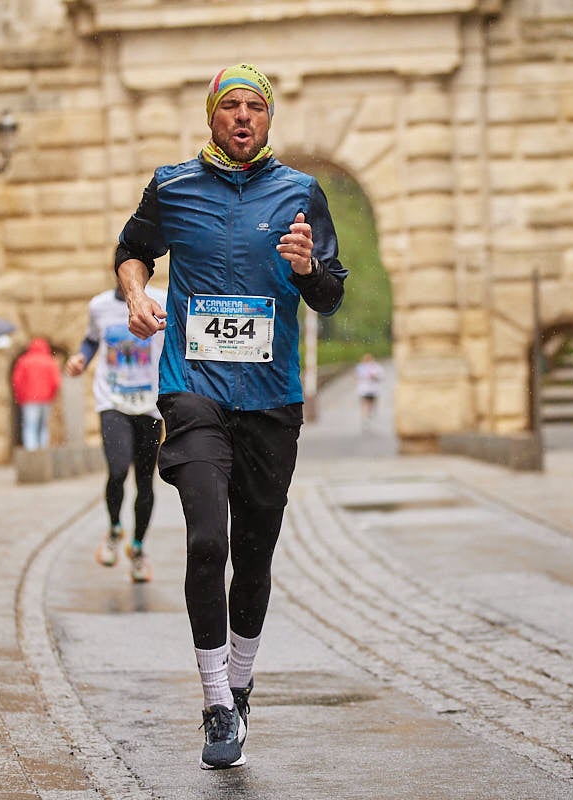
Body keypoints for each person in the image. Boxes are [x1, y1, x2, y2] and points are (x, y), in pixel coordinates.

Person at [115, 63, 347, 770]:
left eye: (255, 107)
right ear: (212, 117)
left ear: (269, 119)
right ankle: (216, 702)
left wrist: (308, 269)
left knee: (253, 554)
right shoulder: (173, 186)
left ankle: (240, 686)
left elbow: (332, 296)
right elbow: (133, 251)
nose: (243, 117)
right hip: (194, 394)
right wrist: (134, 294)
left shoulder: (302, 194)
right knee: (207, 539)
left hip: (272, 403)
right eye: (230, 106)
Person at [65, 285, 167, 583]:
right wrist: (80, 358)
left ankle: (137, 548)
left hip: (150, 403)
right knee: (118, 468)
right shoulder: (99, 306)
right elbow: (91, 340)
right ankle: (113, 529)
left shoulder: (161, 300)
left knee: (145, 479)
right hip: (112, 401)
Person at [12, 338, 62, 450]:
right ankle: (43, 453)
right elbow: (56, 382)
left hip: (29, 400)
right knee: (43, 427)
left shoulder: (24, 361)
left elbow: (17, 381)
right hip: (46, 399)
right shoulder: (49, 361)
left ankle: (32, 455)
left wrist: (20, 397)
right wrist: (52, 395)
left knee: (30, 426)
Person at [354, 353, 384, 429]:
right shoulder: (360, 367)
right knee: (366, 403)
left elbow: (381, 376)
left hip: (373, 389)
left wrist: (374, 377)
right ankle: (366, 416)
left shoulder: (376, 367)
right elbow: (356, 377)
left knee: (371, 403)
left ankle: (368, 414)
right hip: (364, 389)